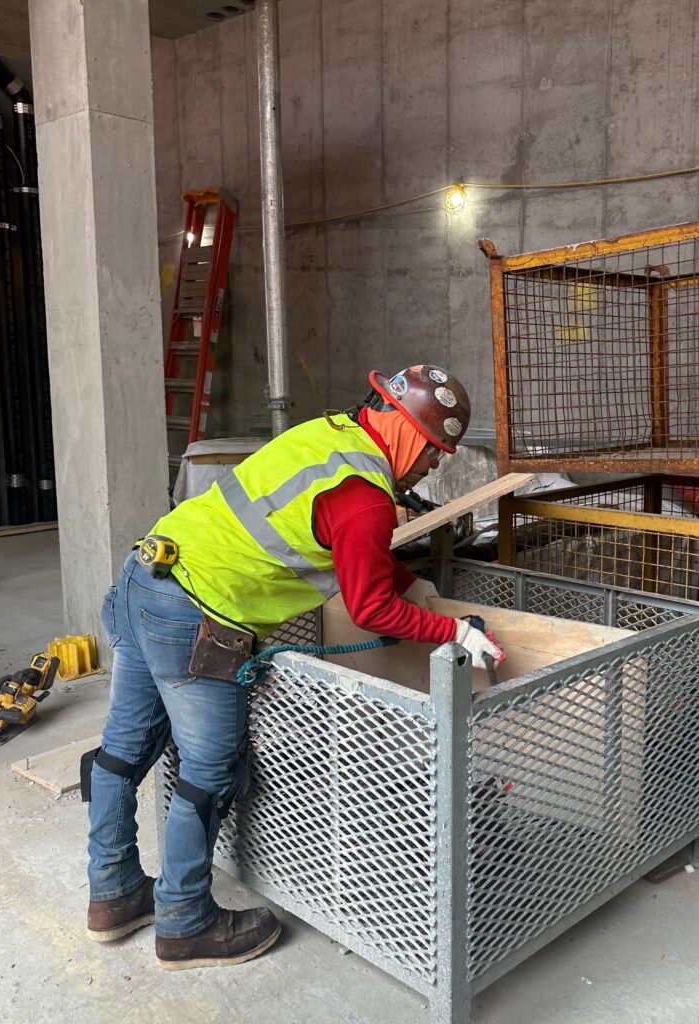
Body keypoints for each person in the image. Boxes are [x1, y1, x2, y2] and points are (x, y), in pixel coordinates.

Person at [81, 364, 504, 970]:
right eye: (435, 452)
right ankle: (184, 920)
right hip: (200, 614)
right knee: (211, 770)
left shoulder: (332, 434)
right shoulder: (367, 498)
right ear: (412, 433)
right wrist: (453, 630)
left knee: (122, 751)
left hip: (145, 575)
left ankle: (113, 893)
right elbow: (368, 603)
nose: (433, 467)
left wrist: (415, 587)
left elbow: (342, 547)